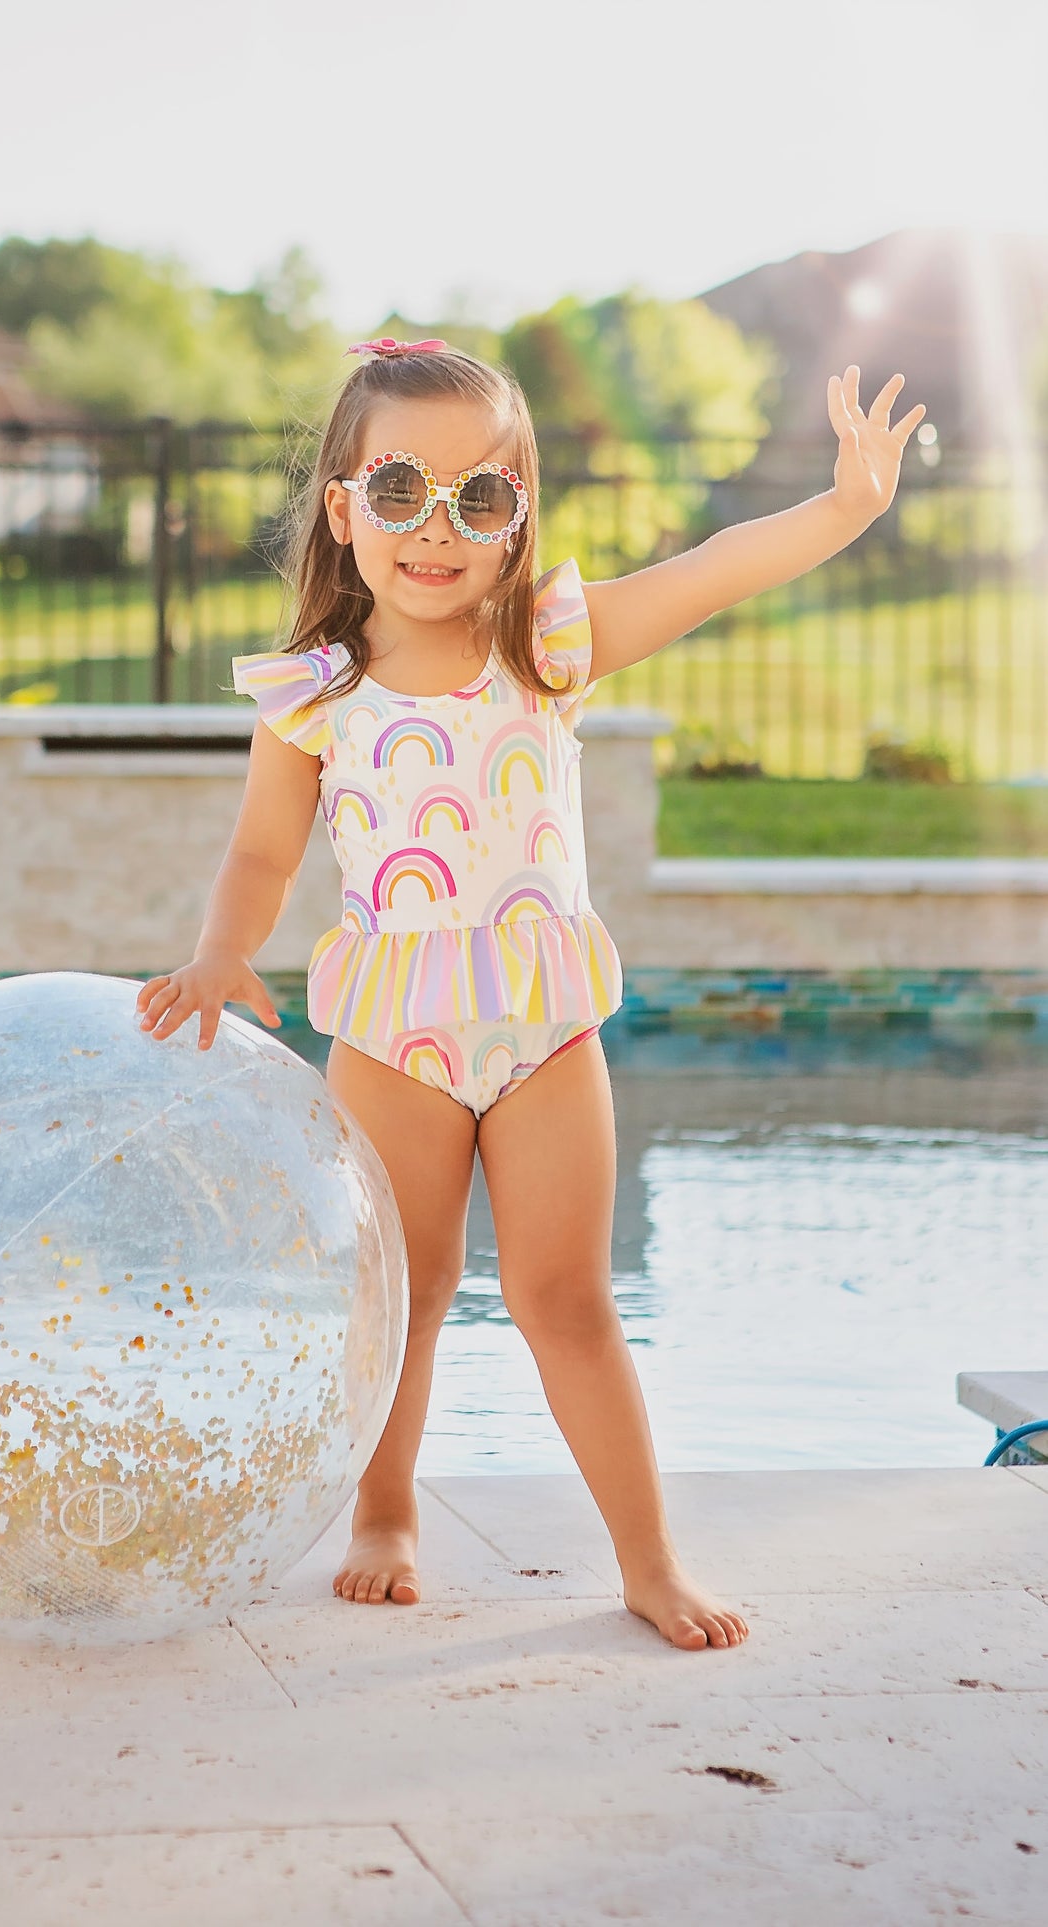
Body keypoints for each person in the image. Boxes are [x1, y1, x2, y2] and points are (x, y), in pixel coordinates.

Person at [136, 339, 924, 1651]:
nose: (434, 530)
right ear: (342, 509)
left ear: (517, 522)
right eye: (397, 492)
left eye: (477, 499)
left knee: (569, 1301)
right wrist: (224, 948)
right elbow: (262, 849)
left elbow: (712, 570)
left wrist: (843, 506)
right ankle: (383, 1514)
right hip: (391, 1037)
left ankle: (647, 1559)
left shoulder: (551, 644)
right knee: (410, 1289)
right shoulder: (315, 696)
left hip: (542, 1027)